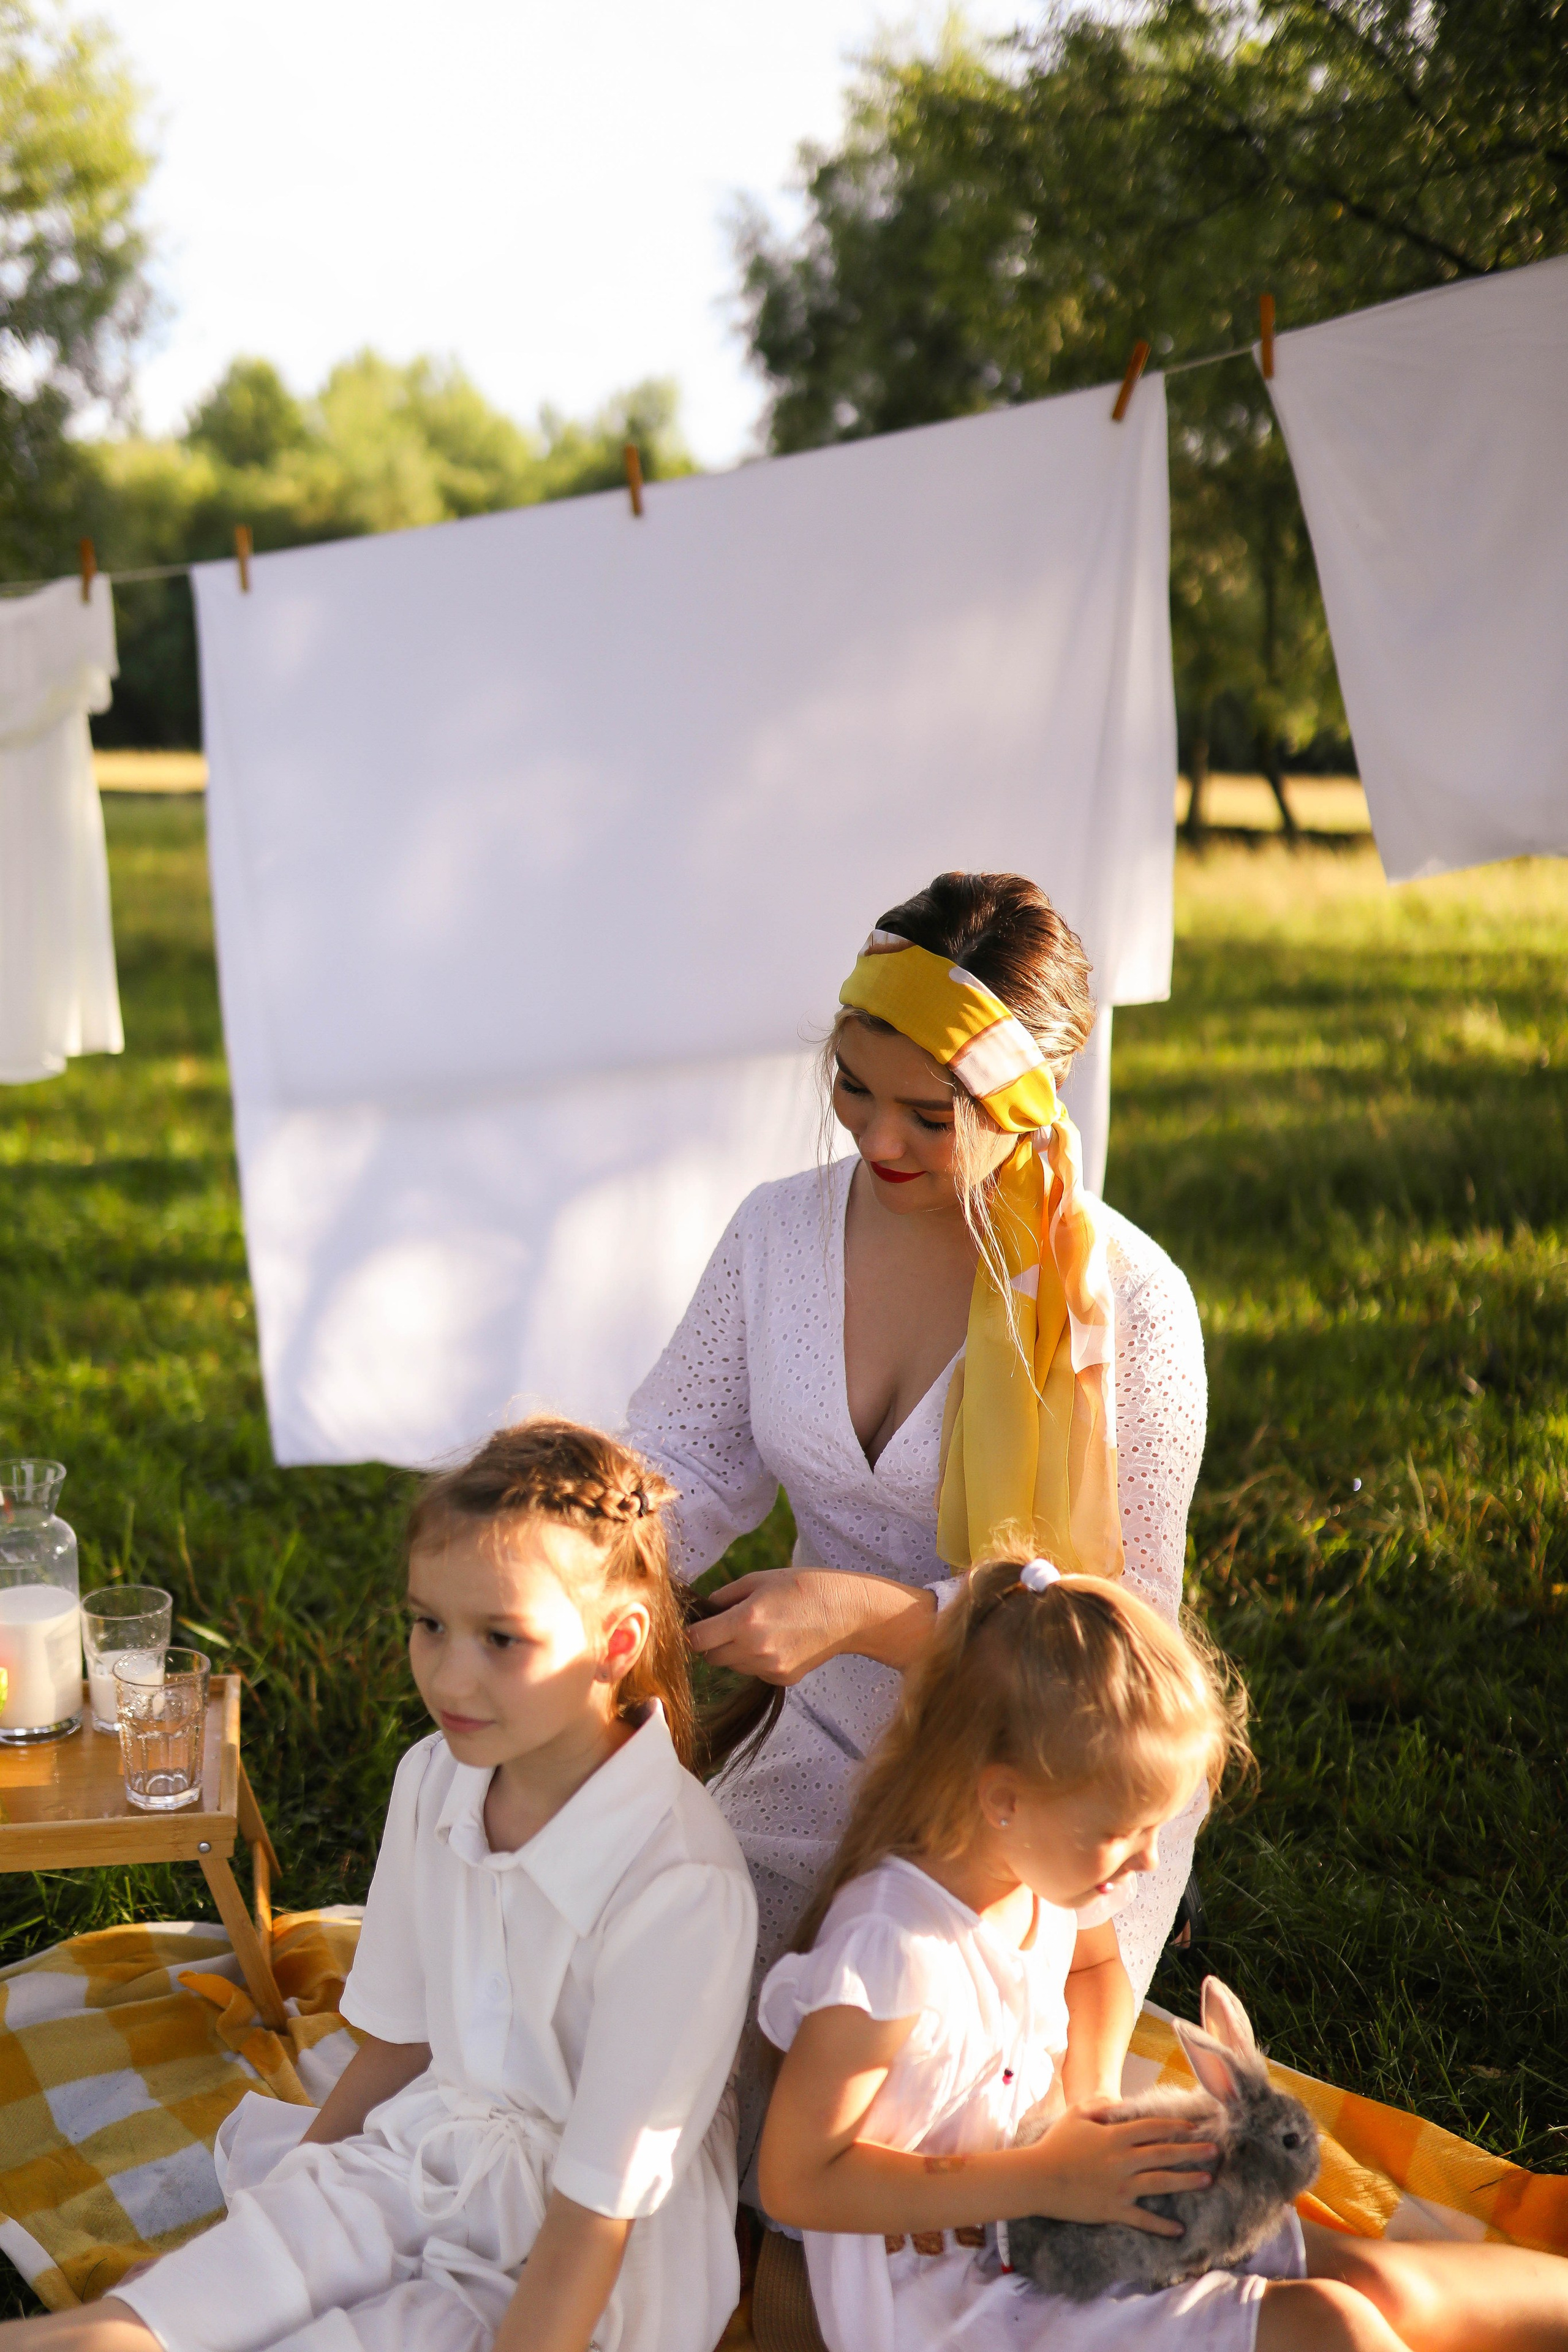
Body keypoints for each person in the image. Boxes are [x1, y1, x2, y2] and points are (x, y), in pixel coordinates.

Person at [625, 871, 1207, 2156]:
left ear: (1022, 1102)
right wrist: (567, 1543)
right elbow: (681, 1456)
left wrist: (867, 1616)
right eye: (850, 1087)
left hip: (1044, 1779)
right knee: (666, 2027)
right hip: (831, 1728)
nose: (874, 1142)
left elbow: (1121, 1643)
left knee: (887, 2101)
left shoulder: (1126, 1307)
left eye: (928, 1116)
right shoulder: (777, 1235)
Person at [7, 1420, 756, 2352]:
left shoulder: (683, 1887)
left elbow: (593, 2216)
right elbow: (403, 2041)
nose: (449, 1674)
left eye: (501, 1639)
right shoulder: (435, 1779)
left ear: (615, 1643)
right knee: (132, 2326)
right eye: (428, 1624)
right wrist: (267, 2233)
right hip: (435, 2150)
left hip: (581, 2254)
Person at [756, 1555, 1568, 2352]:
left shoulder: (1039, 1878)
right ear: (1003, 1798)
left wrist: (1090, 2108)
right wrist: (1050, 2178)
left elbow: (1095, 1969)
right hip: (966, 2301)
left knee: (1382, 2286)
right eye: (1123, 1834)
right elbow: (800, 2177)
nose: (1147, 1865)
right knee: (1334, 2326)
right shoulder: (894, 1951)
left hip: (1069, 2214)